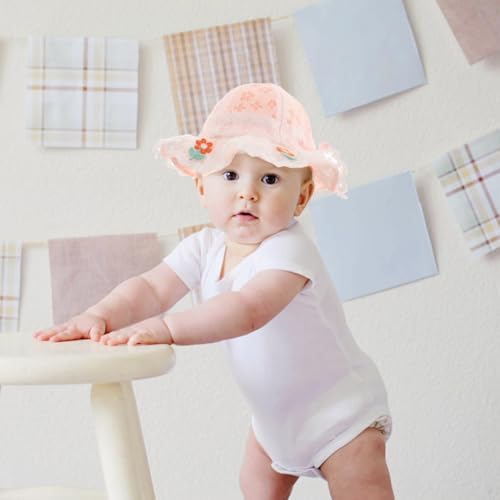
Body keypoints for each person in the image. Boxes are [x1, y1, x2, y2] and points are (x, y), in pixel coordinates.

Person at [34, 83, 395, 500]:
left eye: (270, 178)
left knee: (360, 489)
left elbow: (247, 310)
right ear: (202, 188)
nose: (248, 192)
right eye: (230, 175)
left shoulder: (289, 251)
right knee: (254, 485)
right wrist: (100, 315)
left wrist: (167, 328)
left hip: (339, 413)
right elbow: (150, 288)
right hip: (274, 423)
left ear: (302, 197)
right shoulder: (204, 248)